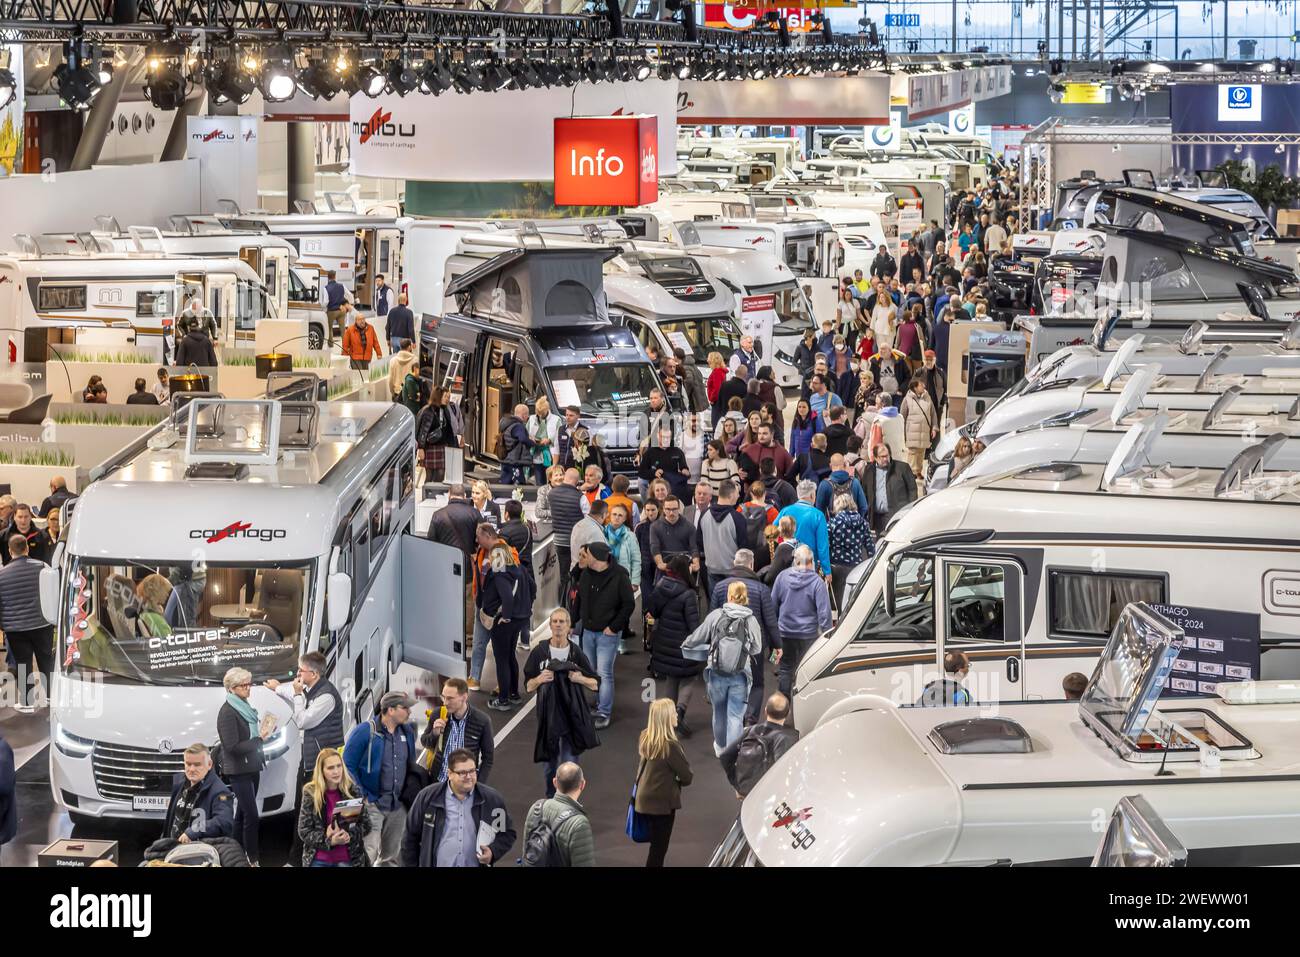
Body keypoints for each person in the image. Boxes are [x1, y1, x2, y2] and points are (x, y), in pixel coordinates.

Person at [264, 651, 344, 865]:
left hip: (322, 765)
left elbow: (302, 720)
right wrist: (277, 688)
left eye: (301, 670)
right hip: (310, 762)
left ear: (315, 674)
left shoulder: (326, 697)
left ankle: (301, 859)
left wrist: (298, 694)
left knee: (310, 811)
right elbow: (293, 692)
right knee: (304, 809)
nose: (297, 674)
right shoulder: (313, 689)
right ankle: (299, 858)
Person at [523, 608, 600, 797]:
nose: (558, 625)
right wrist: (539, 679)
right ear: (549, 625)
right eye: (555, 621)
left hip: (572, 719)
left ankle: (569, 801)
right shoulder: (539, 652)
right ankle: (551, 800)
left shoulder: (576, 653)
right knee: (550, 769)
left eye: (562, 622)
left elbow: (595, 683)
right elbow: (528, 686)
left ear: (569, 626)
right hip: (548, 719)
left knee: (570, 768)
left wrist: (580, 679)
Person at [399, 749, 516, 868]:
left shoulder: (492, 800)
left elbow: (507, 833)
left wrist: (492, 851)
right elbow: (409, 839)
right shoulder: (427, 798)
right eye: (462, 772)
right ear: (449, 773)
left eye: (472, 771)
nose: (469, 777)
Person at [343, 690, 418, 867]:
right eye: (405, 708)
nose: (409, 712)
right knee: (366, 853)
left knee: (390, 858)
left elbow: (411, 765)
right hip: (372, 804)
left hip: (398, 806)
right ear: (390, 710)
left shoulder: (407, 732)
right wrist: (363, 795)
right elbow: (347, 765)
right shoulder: (365, 731)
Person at [709, 549, 780, 725]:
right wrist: (777, 645)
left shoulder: (720, 588)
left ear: (734, 564)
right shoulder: (762, 589)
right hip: (753, 645)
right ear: (751, 565)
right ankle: (751, 718)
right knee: (756, 684)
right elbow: (770, 621)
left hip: (727, 645)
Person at [217, 667, 278, 865]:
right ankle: (252, 858)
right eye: (244, 685)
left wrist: (262, 736)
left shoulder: (244, 707)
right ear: (232, 688)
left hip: (252, 766)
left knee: (242, 814)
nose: (248, 688)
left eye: (249, 684)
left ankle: (234, 853)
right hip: (239, 770)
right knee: (251, 816)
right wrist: (259, 739)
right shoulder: (227, 712)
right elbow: (232, 747)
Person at [572, 541, 635, 729]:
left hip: (607, 634)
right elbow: (579, 600)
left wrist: (614, 627)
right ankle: (600, 703)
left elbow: (628, 604)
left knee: (604, 673)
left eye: (587, 554)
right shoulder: (586, 574)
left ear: (597, 557)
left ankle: (604, 712)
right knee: (591, 670)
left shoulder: (619, 576)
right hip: (588, 631)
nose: (583, 557)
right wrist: (573, 622)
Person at [646, 554, 703, 736]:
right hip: (684, 645)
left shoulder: (660, 587)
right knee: (689, 677)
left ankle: (668, 719)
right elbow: (693, 625)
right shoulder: (688, 594)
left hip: (664, 642)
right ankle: (679, 710)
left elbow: (652, 611)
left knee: (671, 678)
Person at [633, 699, 693, 868]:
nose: (676, 715)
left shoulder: (645, 736)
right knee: (658, 850)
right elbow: (687, 777)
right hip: (661, 805)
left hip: (644, 800)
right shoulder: (670, 746)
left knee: (655, 846)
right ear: (666, 718)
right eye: (673, 712)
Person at [771, 546, 833, 698]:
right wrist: (828, 638)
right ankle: (804, 705)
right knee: (806, 670)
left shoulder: (782, 577)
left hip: (785, 632)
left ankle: (782, 709)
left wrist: (774, 632)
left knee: (785, 669)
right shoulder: (817, 583)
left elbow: (772, 605)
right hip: (808, 635)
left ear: (795, 561)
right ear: (811, 562)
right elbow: (824, 614)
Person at [298, 748, 373, 867]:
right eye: (330, 768)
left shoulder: (352, 791)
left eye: (339, 766)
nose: (336, 771)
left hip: (349, 860)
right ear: (321, 771)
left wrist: (350, 835)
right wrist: (328, 839)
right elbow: (304, 831)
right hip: (319, 860)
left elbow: (366, 825)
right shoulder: (310, 793)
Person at [481, 543, 534, 711]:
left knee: (502, 659)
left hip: (505, 622)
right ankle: (514, 694)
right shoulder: (521, 570)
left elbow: (507, 598)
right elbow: (533, 588)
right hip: (521, 618)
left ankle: (503, 700)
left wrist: (506, 616)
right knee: (511, 655)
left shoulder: (500, 574)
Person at [719, 692, 800, 798]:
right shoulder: (790, 737)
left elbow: (725, 756)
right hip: (766, 795)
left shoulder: (751, 730)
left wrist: (737, 785)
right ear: (788, 713)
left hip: (746, 788)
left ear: (765, 711)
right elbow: (782, 772)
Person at [422, 677, 496, 788]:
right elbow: (425, 743)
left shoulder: (482, 721)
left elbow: (488, 758)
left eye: (450, 698)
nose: (445, 702)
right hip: (439, 782)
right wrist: (435, 733)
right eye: (443, 697)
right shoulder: (438, 714)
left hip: (465, 785)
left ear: (464, 697)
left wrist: (478, 785)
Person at [522, 761, 595, 867]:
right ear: (582, 785)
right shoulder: (579, 824)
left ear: (555, 782)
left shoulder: (537, 808)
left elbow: (527, 854)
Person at [161, 743, 234, 846]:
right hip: (173, 851)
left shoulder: (221, 792)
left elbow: (224, 822)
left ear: (209, 764)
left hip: (201, 853)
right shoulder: (179, 785)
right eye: (188, 764)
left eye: (197, 764)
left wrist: (193, 831)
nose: (191, 769)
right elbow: (171, 822)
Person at [776, 480, 832, 581]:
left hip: (786, 563)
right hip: (808, 565)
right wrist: (827, 571)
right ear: (812, 495)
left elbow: (773, 532)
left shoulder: (785, 511)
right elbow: (822, 547)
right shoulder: (818, 515)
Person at [548, 467, 587, 606]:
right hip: (575, 541)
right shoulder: (580, 497)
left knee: (564, 574)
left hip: (559, 540)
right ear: (577, 481)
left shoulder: (551, 493)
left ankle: (564, 604)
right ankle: (576, 603)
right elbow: (587, 519)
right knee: (578, 573)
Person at [863, 443, 918, 537]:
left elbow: (912, 490)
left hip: (895, 515)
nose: (885, 459)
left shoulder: (902, 468)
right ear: (875, 458)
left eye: (887, 456)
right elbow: (865, 491)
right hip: (877, 517)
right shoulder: (869, 470)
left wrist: (909, 510)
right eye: (882, 457)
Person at [827, 493, 871, 607]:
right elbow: (870, 546)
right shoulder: (863, 523)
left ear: (837, 506)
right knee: (852, 602)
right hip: (856, 565)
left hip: (837, 566)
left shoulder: (833, 523)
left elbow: (826, 544)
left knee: (837, 602)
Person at [649, 495, 699, 586]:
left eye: (674, 509)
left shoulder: (689, 526)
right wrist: (660, 563)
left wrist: (696, 563)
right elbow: (655, 547)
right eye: (668, 509)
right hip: (665, 568)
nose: (671, 513)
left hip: (684, 568)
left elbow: (694, 548)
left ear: (679, 509)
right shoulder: (655, 527)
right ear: (663, 509)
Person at [415, 386, 458, 485]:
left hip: (442, 447)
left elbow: (448, 430)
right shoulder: (427, 411)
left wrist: (453, 446)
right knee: (430, 476)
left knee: (440, 475)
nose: (447, 399)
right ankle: (427, 497)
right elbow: (421, 431)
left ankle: (436, 496)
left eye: (448, 396)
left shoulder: (445, 410)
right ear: (438, 396)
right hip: (430, 448)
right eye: (445, 396)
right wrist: (420, 448)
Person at [637, 425, 690, 500]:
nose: (666, 440)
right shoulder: (650, 452)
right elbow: (641, 472)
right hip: (656, 483)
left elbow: (683, 467)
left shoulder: (677, 451)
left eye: (668, 437)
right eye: (663, 437)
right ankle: (647, 505)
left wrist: (685, 470)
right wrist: (654, 473)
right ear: (658, 436)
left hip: (673, 483)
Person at [901, 379, 938, 481]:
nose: (924, 387)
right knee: (913, 452)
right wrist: (902, 432)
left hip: (924, 430)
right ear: (915, 387)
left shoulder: (927, 397)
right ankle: (910, 472)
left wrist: (934, 428)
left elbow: (933, 413)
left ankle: (918, 471)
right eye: (921, 385)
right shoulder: (907, 399)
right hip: (911, 430)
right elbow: (902, 416)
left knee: (921, 452)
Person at [816, 452, 870, 518]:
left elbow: (819, 512)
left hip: (832, 527)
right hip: (853, 526)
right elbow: (864, 507)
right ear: (845, 464)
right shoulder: (855, 482)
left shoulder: (824, 485)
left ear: (830, 466)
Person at [526, 396, 562, 486]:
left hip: (550, 454)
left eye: (542, 413)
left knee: (551, 480)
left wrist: (549, 440)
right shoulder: (532, 419)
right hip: (536, 453)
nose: (540, 415)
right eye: (538, 413)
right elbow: (526, 433)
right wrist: (530, 438)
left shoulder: (556, 419)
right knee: (539, 482)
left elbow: (559, 436)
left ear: (547, 409)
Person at [387, 338, 418, 402]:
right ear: (409, 347)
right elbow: (417, 377)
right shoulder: (415, 360)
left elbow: (390, 380)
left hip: (397, 394)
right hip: (410, 395)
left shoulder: (393, 361)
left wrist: (393, 393)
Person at [324, 270, 348, 337]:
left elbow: (326, 301)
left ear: (328, 278)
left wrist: (324, 310)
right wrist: (348, 305)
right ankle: (345, 345)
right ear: (335, 276)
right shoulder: (342, 286)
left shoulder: (326, 288)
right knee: (343, 329)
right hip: (341, 310)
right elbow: (349, 295)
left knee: (329, 328)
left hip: (332, 311)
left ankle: (331, 344)